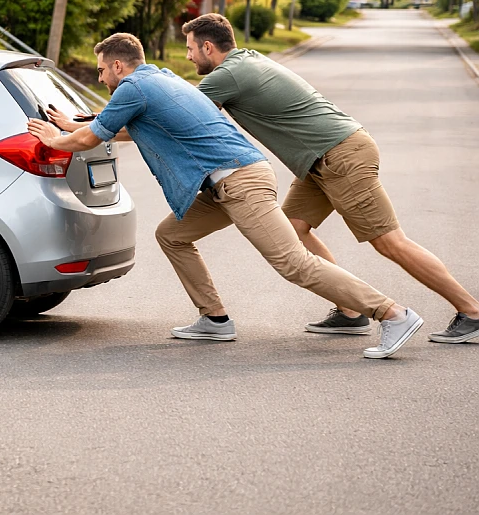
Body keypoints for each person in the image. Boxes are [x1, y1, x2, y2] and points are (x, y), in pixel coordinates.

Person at [29, 32, 422, 359]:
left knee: (293, 263)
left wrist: (57, 138)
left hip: (240, 182)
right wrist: (75, 124)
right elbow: (130, 128)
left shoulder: (133, 87)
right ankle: (214, 319)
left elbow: (89, 138)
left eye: (100, 70)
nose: (99, 79)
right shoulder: (160, 79)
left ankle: (391, 313)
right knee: (172, 235)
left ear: (118, 65)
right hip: (228, 181)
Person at [184, 12, 479, 344]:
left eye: (191, 48)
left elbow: (178, 111)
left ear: (208, 47)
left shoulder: (227, 75)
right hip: (320, 159)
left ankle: (472, 311)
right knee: (291, 230)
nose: (188, 56)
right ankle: (350, 311)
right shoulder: (247, 60)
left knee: (389, 242)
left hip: (340, 155)